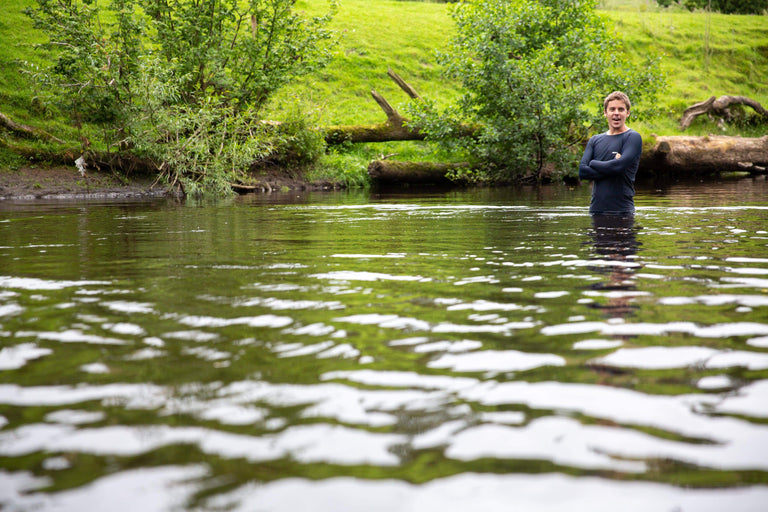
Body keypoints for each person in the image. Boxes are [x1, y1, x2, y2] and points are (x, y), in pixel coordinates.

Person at [579, 91, 642, 216]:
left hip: (623, 211)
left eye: (621, 109)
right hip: (596, 210)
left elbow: (619, 167)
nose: (616, 113)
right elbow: (583, 172)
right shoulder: (595, 140)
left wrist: (593, 163)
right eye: (612, 109)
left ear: (627, 113)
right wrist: (612, 166)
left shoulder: (632, 137)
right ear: (605, 113)